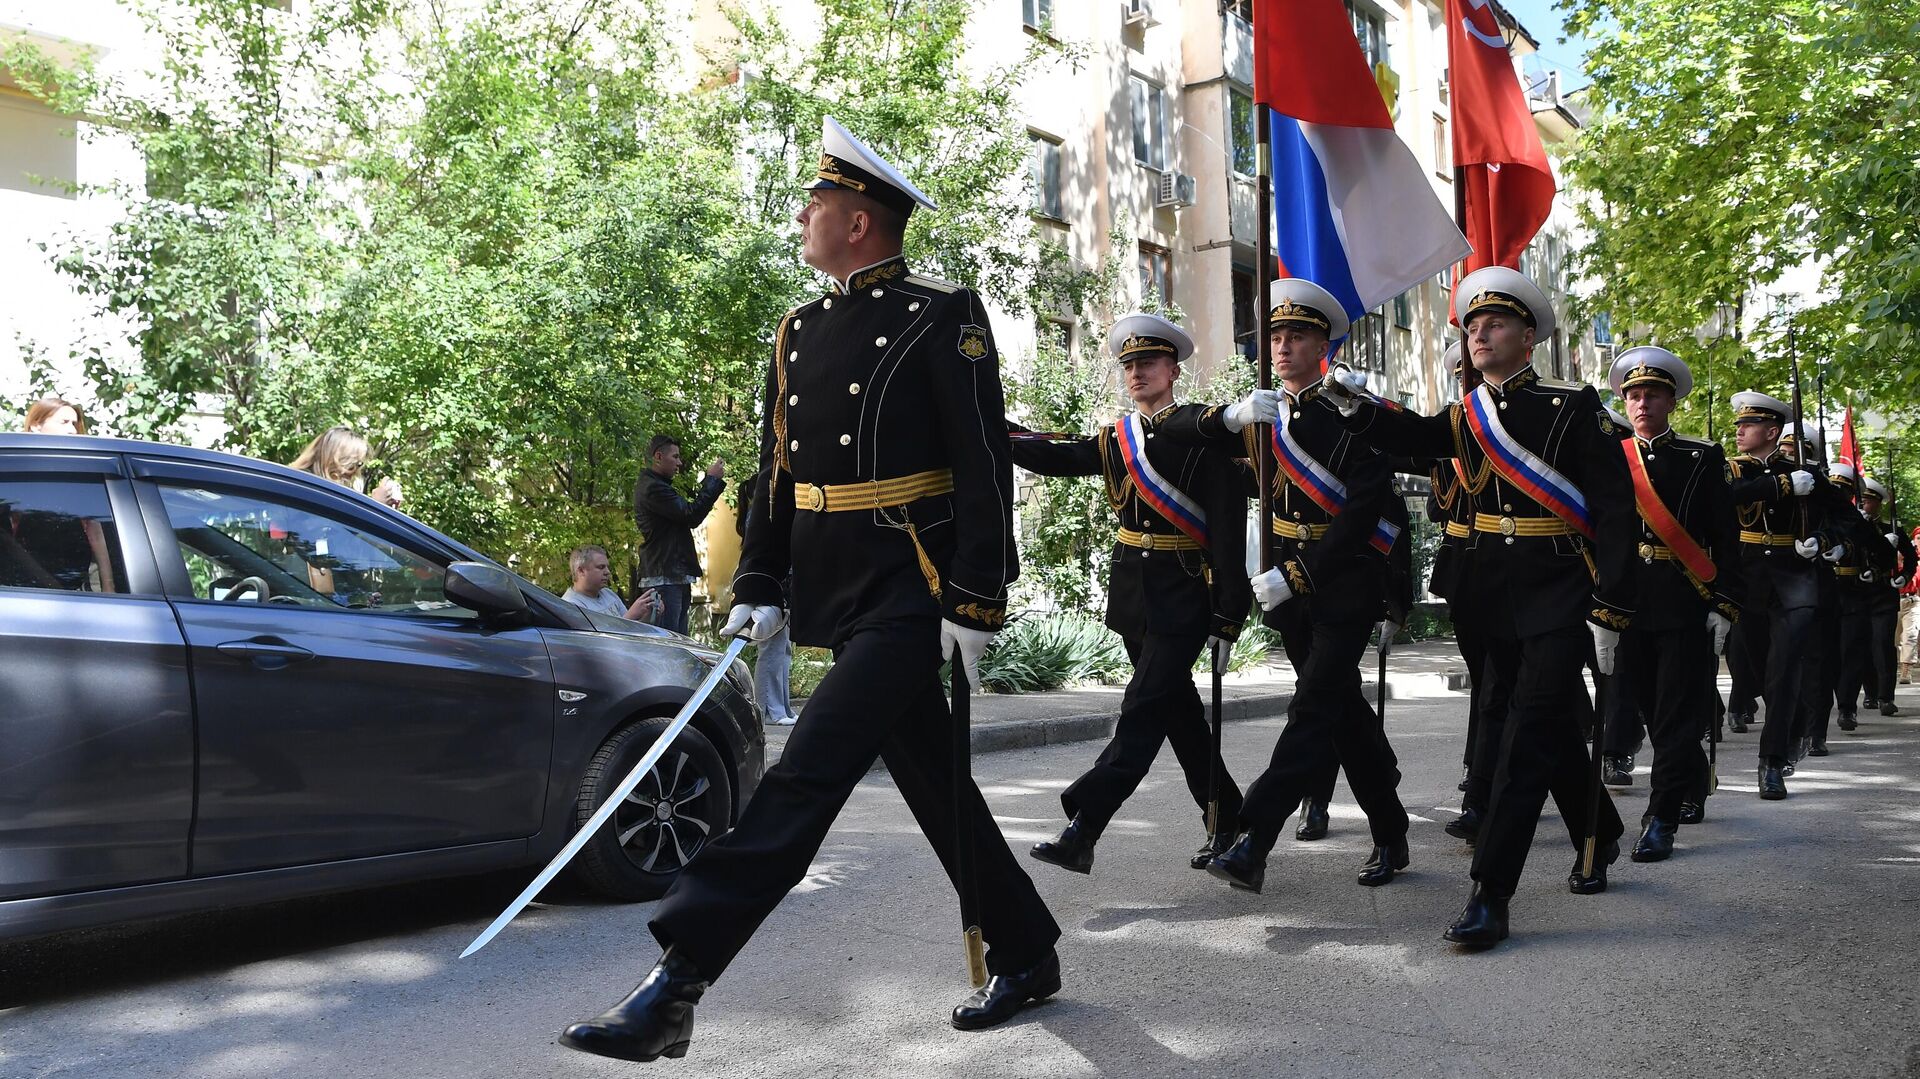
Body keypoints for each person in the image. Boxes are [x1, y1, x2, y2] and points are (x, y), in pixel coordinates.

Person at [559, 116, 1060, 1064]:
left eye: (817, 202)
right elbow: (775, 474)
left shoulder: (939, 314)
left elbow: (984, 462)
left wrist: (977, 597)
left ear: (861, 221)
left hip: (915, 586)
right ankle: (1027, 948)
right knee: (935, 781)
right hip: (841, 586)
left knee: (807, 773)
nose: (802, 214)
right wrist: (760, 576)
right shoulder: (798, 328)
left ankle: (679, 981)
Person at [1319, 266, 1632, 948]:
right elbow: (1418, 437)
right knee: (1539, 731)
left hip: (1559, 591)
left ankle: (1491, 892)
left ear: (1529, 336)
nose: (1479, 333)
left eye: (1494, 324)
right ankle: (1599, 830)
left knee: (1528, 735)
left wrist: (1610, 604)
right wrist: (1355, 405)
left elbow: (1614, 513)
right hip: (1490, 594)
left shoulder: (1574, 407)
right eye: (1472, 325)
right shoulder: (1467, 414)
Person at [1163, 278, 1414, 896]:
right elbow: (1171, 430)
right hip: (1288, 594)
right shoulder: (1263, 415)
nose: (1281, 346)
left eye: (1296, 335)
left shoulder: (1351, 415)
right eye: (1274, 335)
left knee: (1310, 712)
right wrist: (1228, 414)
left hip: (1342, 585)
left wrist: (1299, 574)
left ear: (1322, 343)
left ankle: (1254, 837)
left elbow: (1366, 513)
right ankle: (1391, 825)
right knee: (1342, 713)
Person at [1008, 312, 1251, 877]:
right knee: (1180, 719)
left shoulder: (1201, 436)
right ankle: (1230, 817)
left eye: (1148, 363)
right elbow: (1056, 455)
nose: (1137, 372)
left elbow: (1228, 531)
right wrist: (987, 423)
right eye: (1129, 365)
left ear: (1173, 369)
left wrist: (1229, 615)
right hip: (1134, 599)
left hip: (1184, 597)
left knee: (1140, 713)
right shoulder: (1119, 440)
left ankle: (1083, 827)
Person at [1598, 348, 1743, 862]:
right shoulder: (1611, 456)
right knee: (1640, 708)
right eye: (1634, 395)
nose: (1642, 403)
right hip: (1628, 600)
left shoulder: (1702, 456)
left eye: (1652, 394)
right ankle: (1689, 778)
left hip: (1684, 598)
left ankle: (1659, 818)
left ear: (1671, 401)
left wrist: (1724, 602)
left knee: (1677, 713)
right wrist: (1601, 609)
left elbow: (1726, 534)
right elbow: (1602, 534)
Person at [1723, 396, 1844, 797]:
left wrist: (1824, 540)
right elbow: (1724, 498)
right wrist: (1781, 485)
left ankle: (1771, 762)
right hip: (1748, 576)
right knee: (1751, 669)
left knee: (1785, 670)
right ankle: (1796, 725)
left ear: (1772, 432)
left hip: (1794, 578)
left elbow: (1845, 520)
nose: (1740, 430)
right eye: (1739, 424)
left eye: (1750, 424)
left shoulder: (1806, 473)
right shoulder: (1730, 470)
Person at [12, 397, 116, 593]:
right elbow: (8, 539)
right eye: (64, 422)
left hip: (73, 588)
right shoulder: (15, 471)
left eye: (75, 424)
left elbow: (95, 533)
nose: (73, 430)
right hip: (23, 588)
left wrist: (108, 587)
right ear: (36, 425)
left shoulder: (79, 475)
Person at [633, 433, 725, 635]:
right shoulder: (653, 488)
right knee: (669, 644)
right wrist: (711, 481)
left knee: (679, 642)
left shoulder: (658, 486)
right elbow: (691, 515)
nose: (679, 463)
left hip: (671, 576)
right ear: (658, 456)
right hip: (664, 577)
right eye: (675, 457)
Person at [736, 471, 798, 727]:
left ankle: (781, 706)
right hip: (771, 587)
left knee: (782, 648)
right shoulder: (762, 516)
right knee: (771, 648)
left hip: (783, 585)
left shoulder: (762, 514)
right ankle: (769, 710)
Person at [1854, 477, 1909, 718]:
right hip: (1858, 593)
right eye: (1862, 500)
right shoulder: (1853, 527)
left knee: (1882, 644)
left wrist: (1904, 577)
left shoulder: (1892, 530)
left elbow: (1910, 558)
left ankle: (1886, 697)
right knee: (1863, 644)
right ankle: (1870, 692)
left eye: (1868, 501)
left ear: (1877, 504)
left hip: (1884, 592)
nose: (1864, 505)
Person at [288, 426, 403, 508]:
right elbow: (337, 534)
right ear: (336, 460)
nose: (356, 472)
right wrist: (375, 505)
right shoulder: (302, 487)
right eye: (354, 464)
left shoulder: (324, 490)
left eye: (359, 465)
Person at [561, 544, 661, 621]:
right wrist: (631, 615)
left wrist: (650, 614)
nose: (607, 572)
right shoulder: (571, 606)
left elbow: (631, 631)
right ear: (581, 571)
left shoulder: (608, 594)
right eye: (601, 567)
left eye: (607, 567)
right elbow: (596, 643)